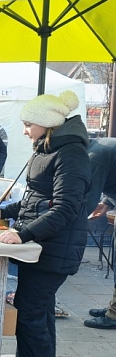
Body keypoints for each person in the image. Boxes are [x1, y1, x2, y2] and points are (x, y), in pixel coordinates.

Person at [0, 90, 90, 357]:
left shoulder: (70, 154)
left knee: (31, 318)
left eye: (29, 124)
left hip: (52, 249)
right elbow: (35, 199)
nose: (25, 130)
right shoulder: (50, 149)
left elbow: (66, 208)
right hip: (40, 247)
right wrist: (4, 213)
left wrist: (23, 232)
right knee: (37, 317)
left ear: (47, 124)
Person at [82, 138, 116, 329]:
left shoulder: (94, 155)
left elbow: (88, 199)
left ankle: (115, 314)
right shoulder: (98, 147)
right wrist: (107, 203)